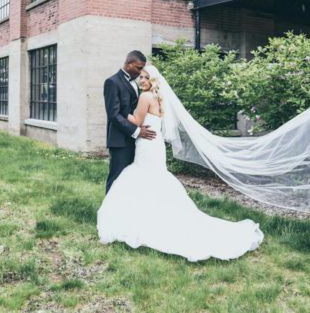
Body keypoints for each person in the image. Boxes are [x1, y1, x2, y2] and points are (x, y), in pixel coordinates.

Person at [98, 64, 265, 262]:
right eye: (140, 77)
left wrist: (119, 109)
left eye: (145, 77)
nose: (141, 81)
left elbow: (135, 120)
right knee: (154, 179)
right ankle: (156, 215)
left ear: (152, 80)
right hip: (155, 143)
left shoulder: (145, 97)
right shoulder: (159, 98)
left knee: (142, 177)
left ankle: (145, 221)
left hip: (146, 144)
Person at [103, 51, 156, 194]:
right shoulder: (112, 82)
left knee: (130, 180)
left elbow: (134, 111)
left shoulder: (137, 84)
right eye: (138, 68)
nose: (140, 72)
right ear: (128, 64)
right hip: (120, 141)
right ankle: (108, 213)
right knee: (116, 179)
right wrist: (137, 131)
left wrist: (140, 125)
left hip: (136, 142)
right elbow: (114, 115)